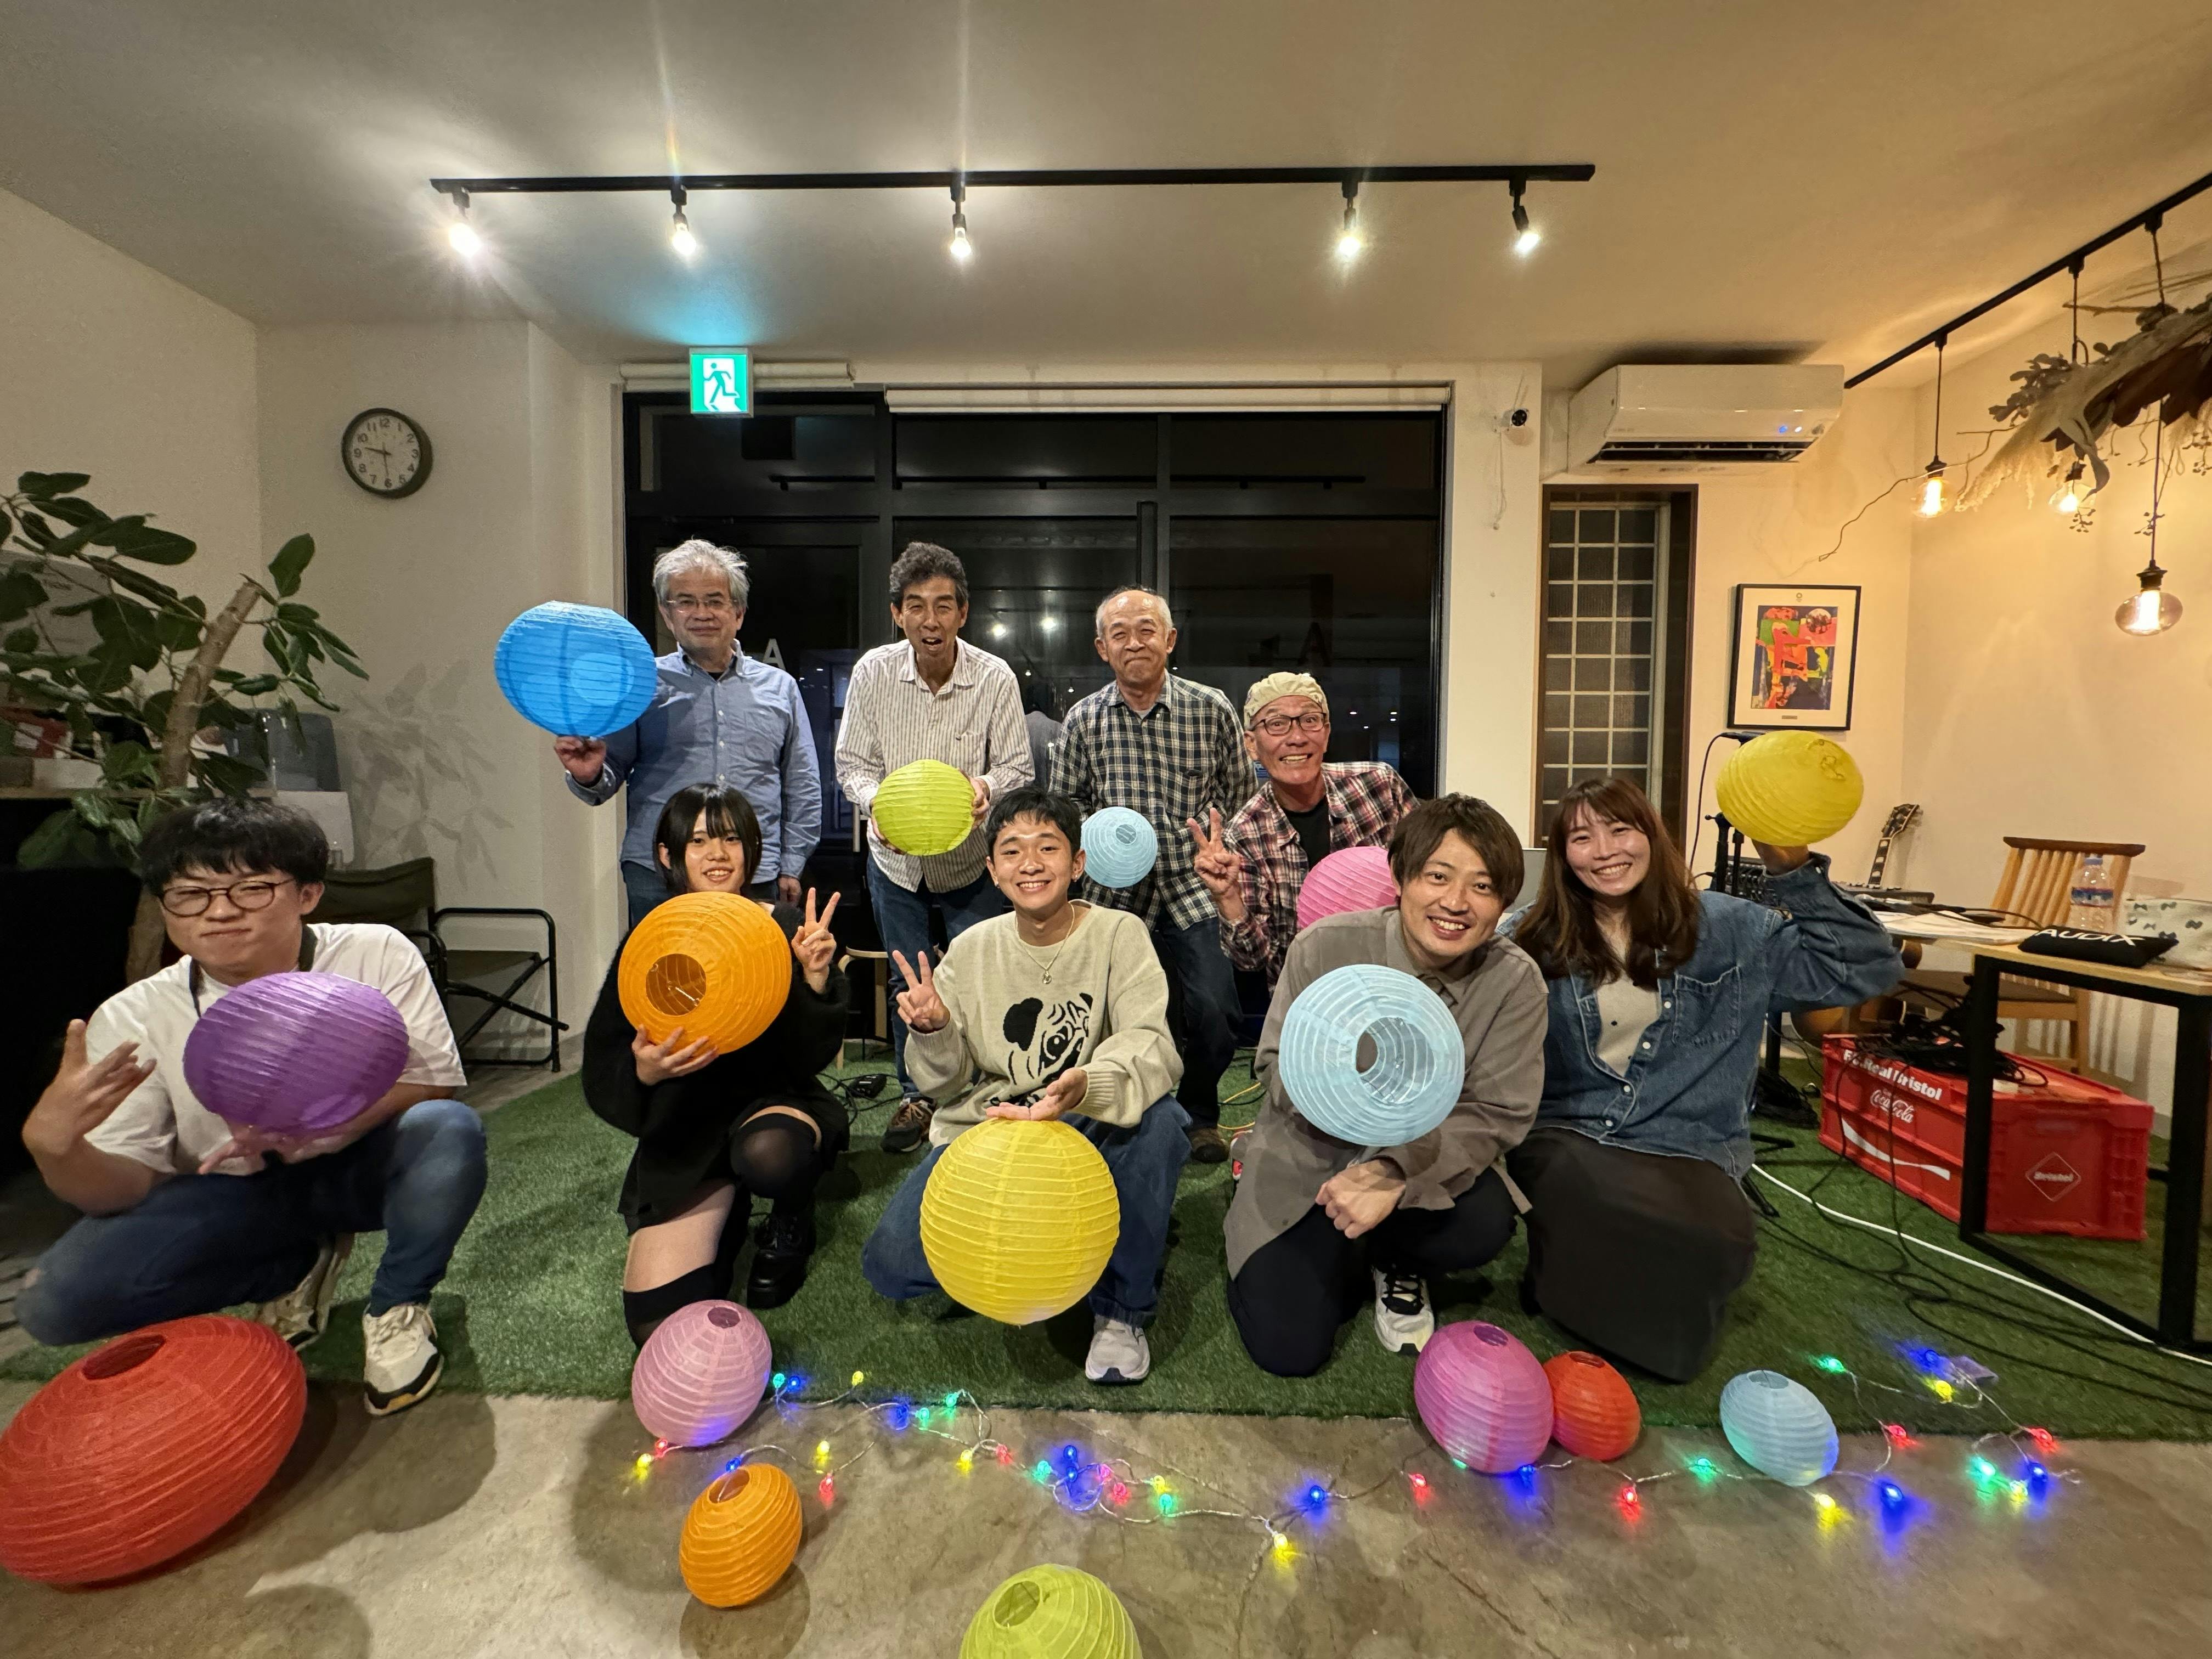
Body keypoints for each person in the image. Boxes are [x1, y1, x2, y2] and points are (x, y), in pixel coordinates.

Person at [15, 799, 484, 1417]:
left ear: (308, 894)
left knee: (445, 1130)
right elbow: (125, 1189)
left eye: (251, 888)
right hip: (232, 1191)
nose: (219, 911)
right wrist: (56, 1149)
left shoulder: (373, 953)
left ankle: (397, 1305)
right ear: (164, 906)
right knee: (55, 1304)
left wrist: (321, 1132)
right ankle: (290, 1270)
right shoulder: (134, 1016)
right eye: (190, 894)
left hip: (358, 1163)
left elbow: (433, 1081)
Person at [1504, 776, 1903, 1381]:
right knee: (1587, 1199)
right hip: (1573, 1132)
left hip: (1688, 1141)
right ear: (1562, 855)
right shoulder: (1533, 937)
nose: (1604, 851)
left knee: (1719, 1243)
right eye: (1582, 838)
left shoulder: (1732, 928)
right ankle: (1570, 1290)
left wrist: (1793, 870)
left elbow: (1865, 968)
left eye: (1620, 830)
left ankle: (1595, 1297)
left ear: (1652, 835)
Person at [859, 787, 1190, 1385]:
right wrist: (934, 1032)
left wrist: (1086, 1084)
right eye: (1012, 851)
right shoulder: (971, 948)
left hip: (1081, 1117)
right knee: (892, 1265)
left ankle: (1121, 1309)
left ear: (1078, 863)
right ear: (992, 869)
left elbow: (1151, 1044)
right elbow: (945, 1084)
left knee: (1161, 1120)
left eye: (1048, 847)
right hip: (990, 1129)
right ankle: (1053, 1245)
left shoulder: (1119, 933)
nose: (1030, 864)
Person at [1225, 796, 1547, 1376]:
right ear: (1400, 877)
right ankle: (1287, 1208)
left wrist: (1393, 1170)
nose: (1456, 903)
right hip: (1309, 1155)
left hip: (1421, 1163)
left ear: (1503, 901)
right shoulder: (1327, 946)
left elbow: (1497, 1112)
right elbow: (1273, 1064)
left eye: (1482, 886)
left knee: (1482, 1222)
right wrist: (1350, 1126)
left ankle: (1396, 1258)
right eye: (1438, 877)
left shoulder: (1514, 982)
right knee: (1288, 1349)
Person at [582, 785, 849, 1340]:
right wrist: (645, 1073)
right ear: (668, 855)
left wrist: (814, 980)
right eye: (699, 841)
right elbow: (604, 1064)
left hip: (773, 1103)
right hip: (688, 1125)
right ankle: (724, 1215)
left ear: (752, 849)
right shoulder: (652, 940)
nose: (718, 854)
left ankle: (791, 1214)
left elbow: (809, 1059)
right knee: (657, 1326)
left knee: (770, 1155)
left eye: (731, 839)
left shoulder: (786, 927)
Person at [835, 542, 1032, 1152]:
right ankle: (916, 1094)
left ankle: (988, 1088)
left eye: (944, 606)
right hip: (896, 863)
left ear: (963, 613)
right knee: (908, 983)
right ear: (898, 613)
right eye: (916, 606)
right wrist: (878, 805)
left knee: (983, 978)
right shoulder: (873, 673)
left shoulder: (994, 677)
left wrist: (986, 787)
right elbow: (852, 764)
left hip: (971, 862)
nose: (930, 620)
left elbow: (1018, 766)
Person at [1052, 587, 1252, 1163]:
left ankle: (1201, 1115)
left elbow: (1241, 801)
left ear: (1170, 640)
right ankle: (1134, 1115)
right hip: (1114, 895)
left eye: (1147, 630)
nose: (1134, 642)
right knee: (1119, 1015)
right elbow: (1064, 809)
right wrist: (1101, 835)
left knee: (1215, 1011)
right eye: (1120, 633)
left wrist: (1222, 848)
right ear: (1102, 648)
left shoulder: (1211, 709)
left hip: (1194, 886)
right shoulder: (1083, 720)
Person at [556, 539, 821, 925]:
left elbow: (803, 785)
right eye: (686, 602)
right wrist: (588, 774)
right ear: (667, 614)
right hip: (658, 872)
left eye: (715, 601)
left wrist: (792, 863)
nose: (702, 613)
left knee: (753, 965)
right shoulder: (642, 685)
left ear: (738, 613)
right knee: (659, 966)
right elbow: (604, 778)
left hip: (752, 870)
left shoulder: (780, 688)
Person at [1188, 671, 1417, 988]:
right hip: (1308, 994)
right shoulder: (1244, 834)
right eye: (1277, 724)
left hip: (1398, 977)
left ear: (1327, 732)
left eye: (1310, 720)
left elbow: (1426, 868)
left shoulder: (1378, 786)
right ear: (1252, 745)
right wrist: (1227, 897)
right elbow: (1251, 959)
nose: (1296, 737)